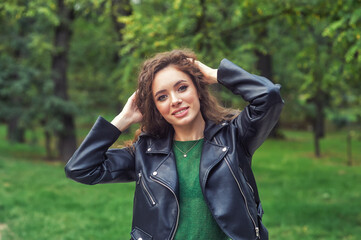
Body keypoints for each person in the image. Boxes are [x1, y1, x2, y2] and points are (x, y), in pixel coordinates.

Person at [65, 49, 284, 240]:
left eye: (182, 88)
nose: (175, 100)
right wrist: (123, 119)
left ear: (197, 89)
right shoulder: (146, 152)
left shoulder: (234, 137)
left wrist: (215, 74)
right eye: (161, 97)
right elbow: (80, 168)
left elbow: (269, 96)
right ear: (156, 107)